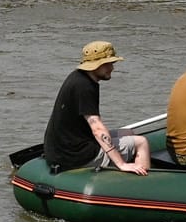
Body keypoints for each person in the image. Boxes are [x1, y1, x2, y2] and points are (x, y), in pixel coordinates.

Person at [43, 41, 149, 175]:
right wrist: (121, 164)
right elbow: (97, 128)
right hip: (75, 155)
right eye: (107, 64)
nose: (112, 68)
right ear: (96, 66)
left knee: (129, 132)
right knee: (141, 142)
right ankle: (142, 186)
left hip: (65, 148)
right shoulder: (85, 87)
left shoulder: (77, 77)